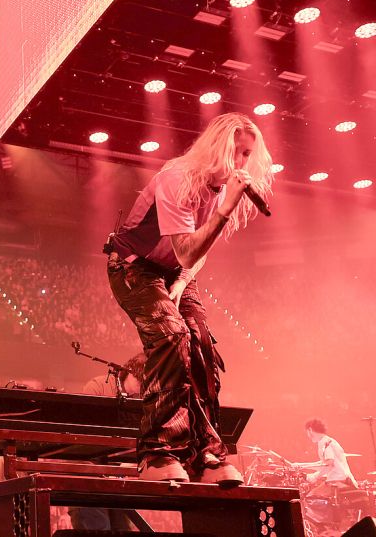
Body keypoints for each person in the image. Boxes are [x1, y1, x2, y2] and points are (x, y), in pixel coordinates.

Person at [105, 112, 274, 484]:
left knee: (202, 347)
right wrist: (227, 209)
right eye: (236, 152)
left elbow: (195, 255)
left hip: (174, 273)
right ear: (216, 147)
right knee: (172, 336)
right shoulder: (177, 178)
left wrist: (182, 281)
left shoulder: (216, 191)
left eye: (248, 154)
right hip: (135, 265)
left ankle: (207, 454)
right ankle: (156, 451)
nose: (241, 162)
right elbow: (186, 248)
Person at [293, 418, 359, 492]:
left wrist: (315, 477)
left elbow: (328, 465)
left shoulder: (325, 443)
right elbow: (324, 464)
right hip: (341, 479)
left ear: (310, 430)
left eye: (307, 433)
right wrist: (301, 466)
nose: (308, 436)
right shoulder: (326, 441)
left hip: (337, 480)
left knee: (312, 497)